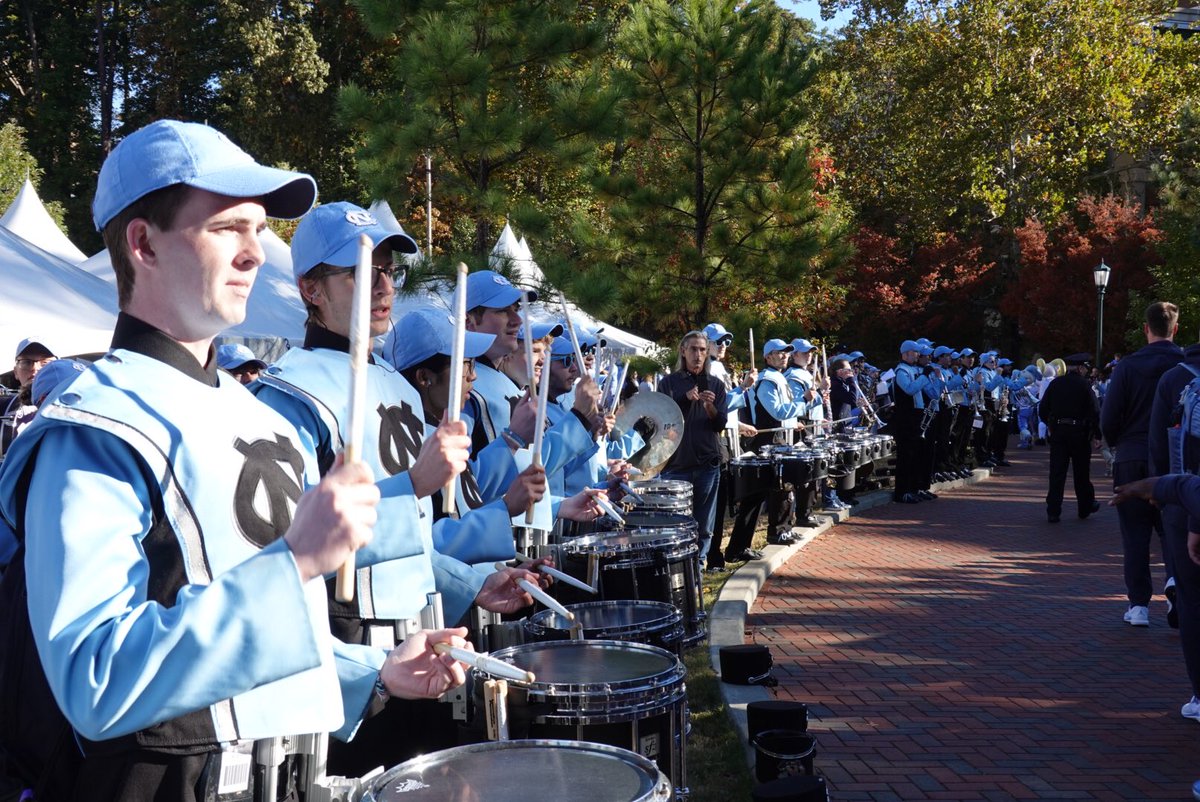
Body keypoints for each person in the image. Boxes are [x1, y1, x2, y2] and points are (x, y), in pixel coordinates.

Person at [0, 121, 470, 801]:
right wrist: (296, 562)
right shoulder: (90, 429)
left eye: (259, 231)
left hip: (286, 776)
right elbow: (94, 677)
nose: (256, 253)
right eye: (228, 228)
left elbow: (266, 622)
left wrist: (372, 672)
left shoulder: (250, 413)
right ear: (142, 243)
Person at [254, 201, 542, 775]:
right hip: (349, 649)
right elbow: (290, 547)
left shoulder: (398, 388)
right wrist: (410, 483)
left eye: (389, 271)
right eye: (361, 272)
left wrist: (473, 582)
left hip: (423, 642)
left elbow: (415, 540)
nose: (383, 286)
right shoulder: (286, 397)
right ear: (311, 288)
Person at [1101, 301, 1184, 627]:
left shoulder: (1127, 367)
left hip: (1133, 454)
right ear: (1175, 328)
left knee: (1134, 533)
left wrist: (1117, 443)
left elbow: (1108, 417)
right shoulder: (1184, 366)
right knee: (1172, 529)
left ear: (1146, 328)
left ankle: (1138, 605)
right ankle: (1176, 582)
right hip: (1174, 456)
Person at [1148, 340, 1200, 717]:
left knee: (1194, 600)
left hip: (1185, 497)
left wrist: (1162, 493)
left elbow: (1159, 443)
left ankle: (1199, 694)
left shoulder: (1174, 380)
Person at [657, 330, 728, 569]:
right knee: (677, 523)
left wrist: (710, 407)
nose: (698, 355)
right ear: (683, 351)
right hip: (676, 465)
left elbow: (719, 424)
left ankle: (697, 566)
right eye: (693, 349)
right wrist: (686, 399)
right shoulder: (669, 383)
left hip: (707, 463)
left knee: (704, 525)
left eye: (702, 350)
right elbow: (660, 420)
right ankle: (678, 567)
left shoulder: (716, 384)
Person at [1037, 354, 1100, 524]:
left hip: (1059, 432)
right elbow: (1095, 411)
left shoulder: (1055, 384)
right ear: (1080, 368)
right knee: (1081, 473)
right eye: (1085, 368)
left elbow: (1042, 409)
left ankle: (1053, 511)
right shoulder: (1085, 385)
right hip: (1079, 433)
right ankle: (1084, 507)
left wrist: (1051, 425)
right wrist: (1097, 434)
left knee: (1057, 473)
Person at [890, 339, 931, 504]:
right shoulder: (901, 371)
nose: (918, 355)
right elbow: (909, 389)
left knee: (915, 454)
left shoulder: (912, 369)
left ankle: (913, 488)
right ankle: (901, 492)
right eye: (915, 352)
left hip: (915, 416)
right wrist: (924, 376)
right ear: (905, 353)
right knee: (905, 455)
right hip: (905, 417)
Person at [1, 338, 55, 454]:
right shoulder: (3, 407)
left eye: (45, 363)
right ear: (16, 372)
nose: (35, 368)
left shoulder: (76, 408)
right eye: (26, 362)